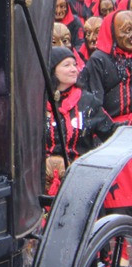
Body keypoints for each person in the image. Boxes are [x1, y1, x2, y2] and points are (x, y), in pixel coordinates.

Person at [45, 47, 112, 194]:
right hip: (41, 183)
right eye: (67, 65)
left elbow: (111, 133)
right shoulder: (37, 103)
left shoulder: (88, 102)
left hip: (79, 182)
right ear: (52, 69)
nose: (74, 69)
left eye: (74, 65)